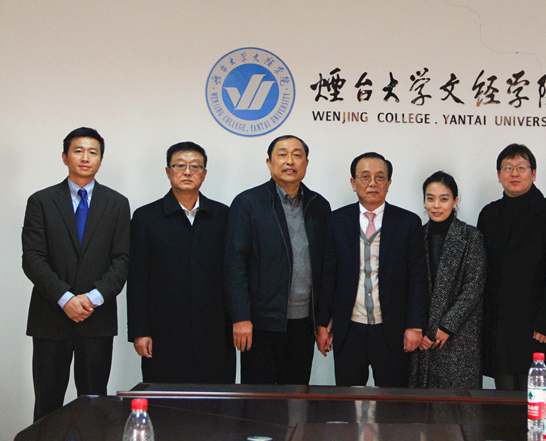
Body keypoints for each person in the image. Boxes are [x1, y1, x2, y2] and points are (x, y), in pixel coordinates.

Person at [22, 127, 130, 421]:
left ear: (100, 159)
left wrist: (92, 298)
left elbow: (122, 260)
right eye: (78, 151)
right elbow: (32, 258)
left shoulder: (117, 203)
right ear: (65, 157)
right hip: (50, 318)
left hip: (96, 319)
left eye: (93, 152)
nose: (85, 157)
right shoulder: (41, 201)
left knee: (95, 405)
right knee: (47, 404)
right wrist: (65, 298)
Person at [224, 135, 331, 384]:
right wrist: (240, 317)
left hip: (304, 323)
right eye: (282, 154)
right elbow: (234, 265)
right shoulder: (248, 203)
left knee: (296, 395)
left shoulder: (318, 206)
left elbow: (326, 268)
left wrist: (322, 320)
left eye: (297, 155)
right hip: (260, 323)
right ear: (269, 163)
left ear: (306, 163)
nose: (289, 161)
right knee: (259, 398)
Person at [316, 152, 428, 387]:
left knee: (393, 400)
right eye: (365, 177)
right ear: (353, 182)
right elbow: (328, 275)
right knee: (348, 398)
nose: (373, 183)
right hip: (349, 327)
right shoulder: (336, 221)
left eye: (380, 177)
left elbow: (418, 279)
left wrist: (415, 326)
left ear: (389, 183)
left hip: (392, 329)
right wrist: (322, 324)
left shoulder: (408, 223)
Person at [127, 142, 235, 383]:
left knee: (217, 398)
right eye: (180, 166)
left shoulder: (223, 216)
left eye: (195, 166)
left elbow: (234, 273)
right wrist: (139, 331)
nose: (187, 172)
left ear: (204, 174)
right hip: (163, 332)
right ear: (168, 171)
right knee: (165, 398)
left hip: (215, 331)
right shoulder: (146, 218)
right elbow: (137, 279)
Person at [478, 144, 546, 389]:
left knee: (537, 397)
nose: (514, 174)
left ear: (534, 173)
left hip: (538, 323)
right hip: (500, 324)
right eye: (507, 168)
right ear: (499, 175)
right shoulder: (489, 215)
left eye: (521, 167)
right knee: (504, 395)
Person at [409, 171, 487, 389]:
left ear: (455, 201)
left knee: (458, 403)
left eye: (443, 199)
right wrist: (419, 328)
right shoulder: (416, 235)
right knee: (421, 403)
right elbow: (408, 285)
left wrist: (447, 326)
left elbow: (474, 287)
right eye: (430, 198)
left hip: (459, 337)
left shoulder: (471, 236)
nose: (436, 205)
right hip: (422, 338)